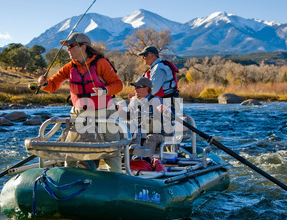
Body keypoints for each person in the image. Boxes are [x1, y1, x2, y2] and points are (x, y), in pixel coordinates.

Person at [37, 32, 123, 172]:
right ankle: (68, 178)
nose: (68, 49)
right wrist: (44, 83)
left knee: (111, 150)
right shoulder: (69, 67)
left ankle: (117, 178)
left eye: (71, 46)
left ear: (83, 47)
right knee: (70, 150)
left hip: (104, 112)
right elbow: (52, 86)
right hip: (79, 114)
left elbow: (118, 85)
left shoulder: (101, 63)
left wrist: (105, 90)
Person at [118, 77, 171, 171]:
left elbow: (170, 116)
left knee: (150, 138)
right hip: (138, 133)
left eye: (138, 87)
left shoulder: (158, 101)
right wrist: (120, 111)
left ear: (146, 88)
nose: (135, 89)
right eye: (135, 87)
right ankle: (124, 161)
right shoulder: (133, 101)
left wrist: (166, 111)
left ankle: (145, 162)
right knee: (129, 137)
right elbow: (129, 117)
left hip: (157, 134)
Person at [136, 46, 180, 112]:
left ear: (153, 55)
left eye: (145, 55)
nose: (143, 58)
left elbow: (153, 90)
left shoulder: (159, 68)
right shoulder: (155, 67)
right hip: (164, 101)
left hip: (167, 103)